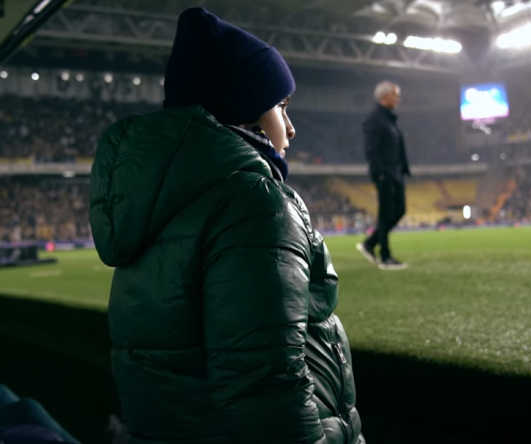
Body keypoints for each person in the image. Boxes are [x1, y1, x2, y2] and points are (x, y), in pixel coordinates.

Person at [89, 8, 364, 444]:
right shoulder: (252, 204)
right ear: (244, 109)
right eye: (281, 107)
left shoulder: (152, 202)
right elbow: (266, 389)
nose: (291, 129)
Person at [357, 81, 411, 270]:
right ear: (384, 97)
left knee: (400, 210)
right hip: (384, 174)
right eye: (395, 95)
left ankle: (371, 243)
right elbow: (371, 150)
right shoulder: (375, 120)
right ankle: (385, 256)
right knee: (386, 212)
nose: (398, 99)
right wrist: (379, 172)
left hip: (396, 173)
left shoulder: (390, 120)